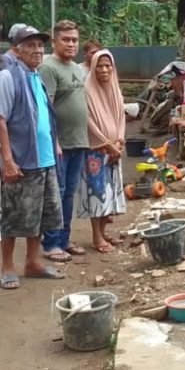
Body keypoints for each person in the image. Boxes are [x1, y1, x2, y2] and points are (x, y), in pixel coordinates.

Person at [0, 26, 65, 289]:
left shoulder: (37, 76)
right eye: (30, 45)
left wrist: (55, 144)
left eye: (40, 45)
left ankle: (33, 262)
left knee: (41, 215)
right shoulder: (7, 76)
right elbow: (0, 118)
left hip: (45, 159)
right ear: (16, 50)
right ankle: (7, 266)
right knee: (14, 216)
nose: (37, 50)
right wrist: (8, 160)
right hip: (21, 161)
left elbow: (45, 115)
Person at [39, 20, 89, 262]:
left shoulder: (77, 68)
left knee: (69, 193)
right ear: (54, 41)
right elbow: (46, 107)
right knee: (56, 194)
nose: (71, 44)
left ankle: (65, 239)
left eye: (74, 40)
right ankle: (51, 243)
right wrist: (54, 141)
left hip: (79, 141)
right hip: (60, 145)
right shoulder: (48, 68)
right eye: (66, 40)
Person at [77, 50, 127, 252]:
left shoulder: (115, 89)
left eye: (108, 66)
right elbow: (88, 122)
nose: (104, 70)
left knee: (110, 193)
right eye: (100, 66)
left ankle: (104, 232)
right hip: (96, 152)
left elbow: (121, 117)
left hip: (114, 151)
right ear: (93, 67)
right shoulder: (87, 90)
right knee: (97, 193)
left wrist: (119, 141)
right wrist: (108, 144)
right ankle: (96, 237)